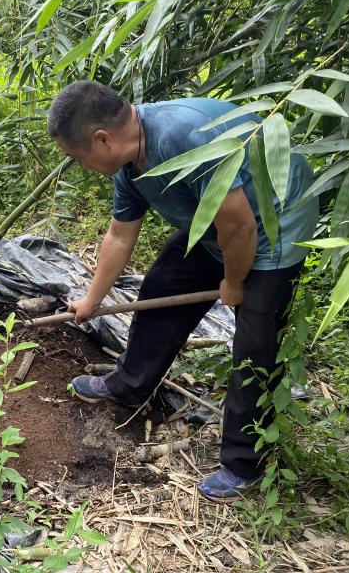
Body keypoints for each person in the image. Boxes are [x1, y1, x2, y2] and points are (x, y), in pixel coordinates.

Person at [47, 80, 319, 502]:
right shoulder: (131, 165)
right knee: (162, 286)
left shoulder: (183, 138)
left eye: (77, 157)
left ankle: (245, 464)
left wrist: (233, 282)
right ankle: (129, 385)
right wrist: (91, 300)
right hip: (216, 228)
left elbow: (240, 226)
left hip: (272, 231)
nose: (81, 165)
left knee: (256, 345)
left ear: (102, 139)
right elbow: (119, 235)